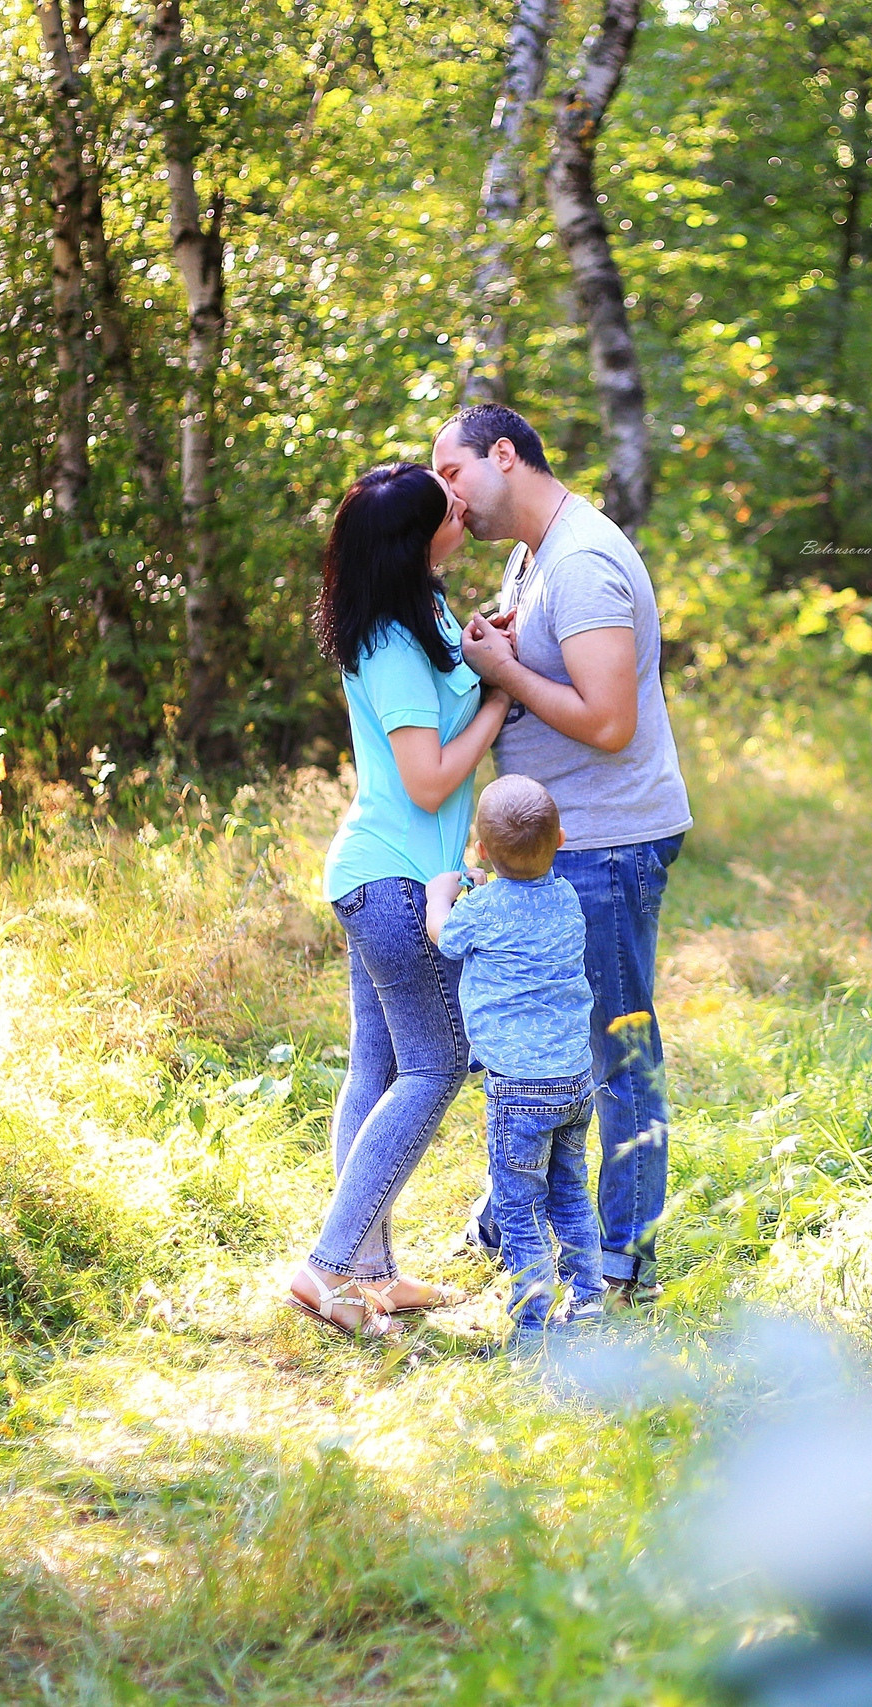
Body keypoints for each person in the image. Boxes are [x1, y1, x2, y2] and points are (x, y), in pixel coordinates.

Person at [433, 403, 693, 1301]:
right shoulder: (532, 556)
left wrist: (504, 673)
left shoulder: (580, 562)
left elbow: (612, 723)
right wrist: (502, 649)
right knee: (553, 1042)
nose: (448, 496)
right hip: (565, 839)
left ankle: (623, 1260)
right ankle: (509, 1223)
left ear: (505, 455)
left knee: (617, 1050)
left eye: (454, 472)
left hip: (608, 839)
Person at [284, 462, 509, 1341]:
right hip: (394, 879)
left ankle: (372, 1274)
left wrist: (491, 649)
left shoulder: (427, 612)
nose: (463, 511)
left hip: (388, 873)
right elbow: (428, 781)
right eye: (448, 510)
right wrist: (498, 698)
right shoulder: (389, 644)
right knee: (437, 1062)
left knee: (377, 1068)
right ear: (416, 541)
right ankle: (328, 1268)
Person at [425, 775, 603, 1341]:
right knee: (570, 1188)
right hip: (574, 1078)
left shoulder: (482, 910)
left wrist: (441, 893)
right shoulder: (567, 896)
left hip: (518, 1089)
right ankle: (590, 1298)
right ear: (562, 840)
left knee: (520, 1203)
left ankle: (532, 1321)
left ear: (481, 852)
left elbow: (444, 937)